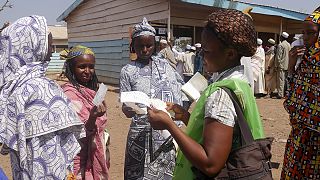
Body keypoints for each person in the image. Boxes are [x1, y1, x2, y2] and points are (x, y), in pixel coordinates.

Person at [148, 9, 265, 179]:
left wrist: (169, 125)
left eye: (207, 51)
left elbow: (210, 164)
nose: (202, 55)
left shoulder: (220, 94)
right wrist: (186, 117)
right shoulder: (240, 84)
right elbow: (222, 132)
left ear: (230, 53)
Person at [0, 15, 84, 179]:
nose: (52, 51)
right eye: (48, 45)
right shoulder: (40, 87)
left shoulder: (14, 86)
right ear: (31, 46)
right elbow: (50, 154)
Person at [120, 17, 186, 180]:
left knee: (165, 173)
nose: (144, 49)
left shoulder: (166, 67)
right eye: (140, 46)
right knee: (138, 174)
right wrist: (129, 109)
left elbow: (179, 91)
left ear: (155, 46)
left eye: (149, 45)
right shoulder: (127, 71)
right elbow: (125, 109)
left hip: (164, 133)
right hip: (139, 134)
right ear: (132, 46)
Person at [281, 7, 320, 179]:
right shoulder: (304, 61)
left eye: (310, 33)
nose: (305, 38)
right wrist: (291, 66)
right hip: (299, 136)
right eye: (303, 33)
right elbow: (290, 98)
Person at [61, 45, 109, 179]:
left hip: (93, 151)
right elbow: (79, 132)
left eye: (91, 67)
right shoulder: (68, 94)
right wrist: (93, 118)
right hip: (77, 157)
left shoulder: (91, 91)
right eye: (82, 67)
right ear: (71, 68)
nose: (87, 71)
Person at [275, 31, 291, 99]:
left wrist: (276, 65)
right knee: (286, 80)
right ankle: (286, 93)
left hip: (281, 65)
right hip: (287, 65)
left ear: (282, 37)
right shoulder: (288, 45)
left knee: (281, 80)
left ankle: (280, 94)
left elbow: (278, 57)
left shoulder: (281, 45)